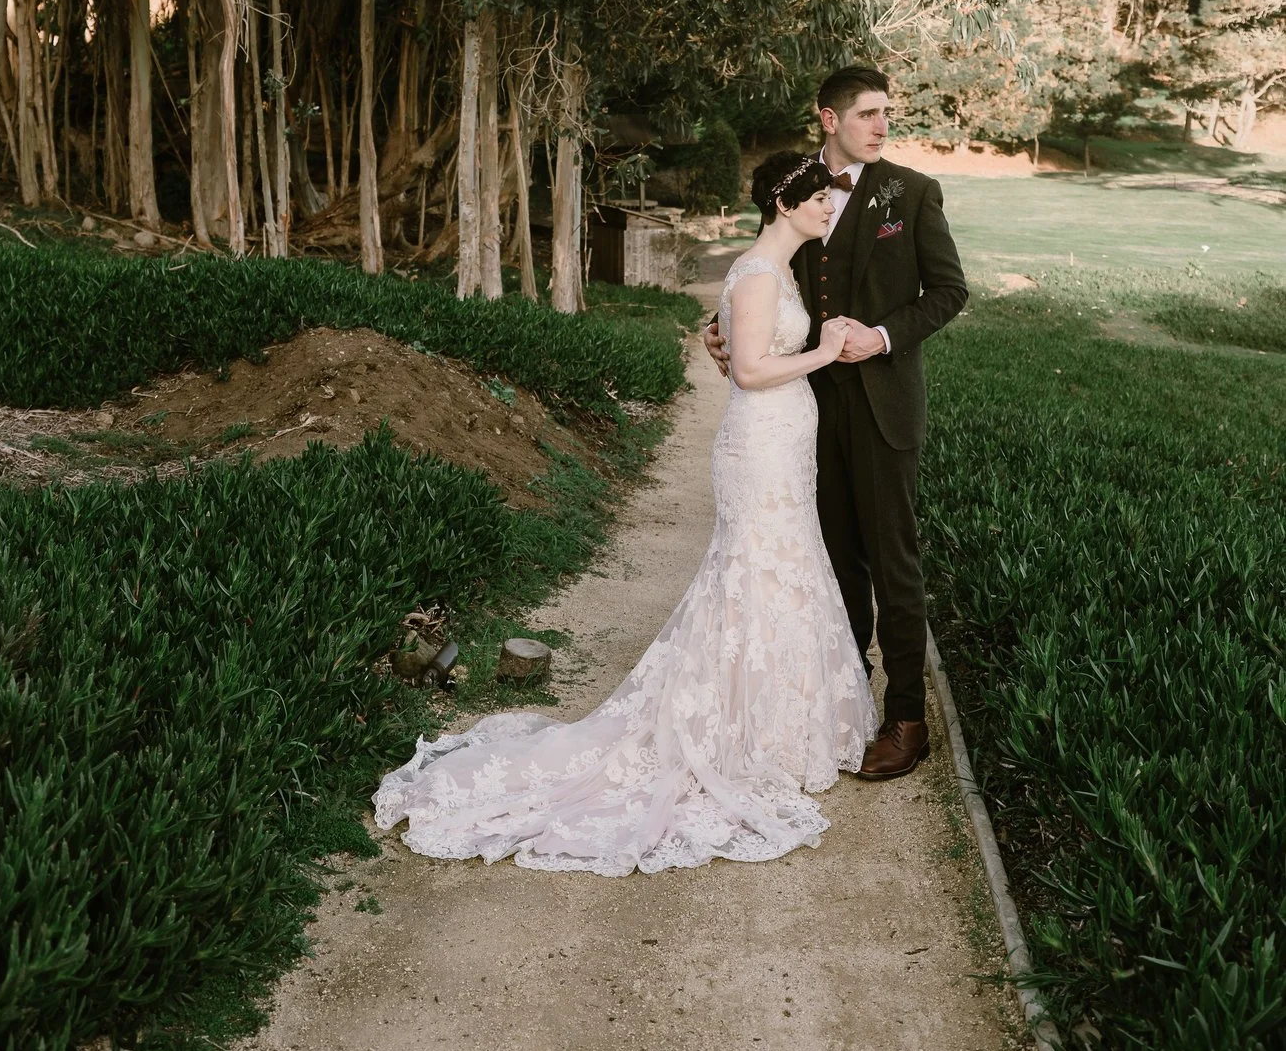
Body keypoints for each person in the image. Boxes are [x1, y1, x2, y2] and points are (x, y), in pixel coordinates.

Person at [373, 155, 877, 875]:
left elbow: (734, 346)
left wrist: (746, 340)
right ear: (785, 203)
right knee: (755, 569)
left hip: (784, 442)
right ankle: (741, 731)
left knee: (785, 565)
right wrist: (826, 351)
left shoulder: (777, 269)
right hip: (759, 444)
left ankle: (777, 725)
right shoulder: (762, 271)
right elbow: (749, 371)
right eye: (821, 199)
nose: (830, 208)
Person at [703, 65, 967, 780]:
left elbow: (949, 292)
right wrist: (721, 326)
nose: (884, 126)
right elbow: (766, 271)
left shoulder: (910, 193)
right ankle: (840, 700)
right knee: (832, 560)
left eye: (888, 113)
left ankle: (907, 716)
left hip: (883, 405)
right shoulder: (795, 184)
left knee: (894, 562)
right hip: (806, 409)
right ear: (829, 119)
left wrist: (879, 336)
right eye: (868, 114)